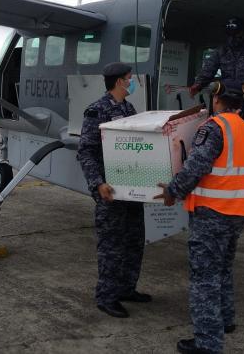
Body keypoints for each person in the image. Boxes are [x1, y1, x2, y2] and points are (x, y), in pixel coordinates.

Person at [155, 87, 244, 354]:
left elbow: (195, 167)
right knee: (223, 268)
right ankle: (226, 319)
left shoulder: (213, 128)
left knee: (205, 278)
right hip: (240, 211)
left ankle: (208, 343)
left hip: (213, 212)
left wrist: (172, 191)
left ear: (217, 100)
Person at [77, 62, 151, 318]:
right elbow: (85, 151)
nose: (132, 82)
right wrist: (98, 183)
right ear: (120, 81)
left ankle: (126, 289)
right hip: (110, 190)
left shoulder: (128, 108)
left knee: (133, 241)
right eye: (130, 78)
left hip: (131, 189)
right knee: (112, 246)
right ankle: (106, 297)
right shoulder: (96, 111)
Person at [189, 17, 244, 143]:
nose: (233, 38)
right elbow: (209, 69)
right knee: (224, 125)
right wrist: (198, 84)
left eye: (236, 34)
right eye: (230, 35)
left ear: (243, 32)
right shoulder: (221, 50)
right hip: (228, 97)